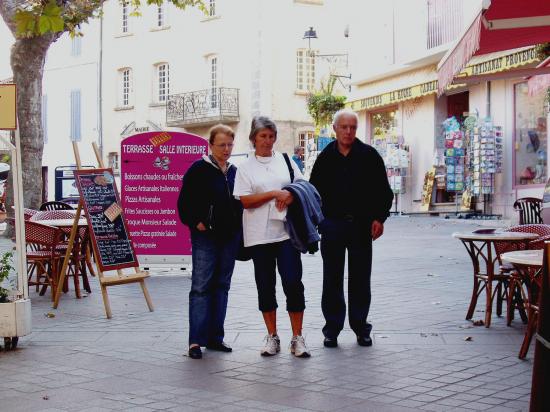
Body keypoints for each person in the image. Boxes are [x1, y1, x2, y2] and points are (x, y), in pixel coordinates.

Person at [309, 109, 393, 348]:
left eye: (353, 127)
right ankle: (332, 329)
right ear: (334, 128)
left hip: (361, 226)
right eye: (344, 127)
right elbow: (314, 193)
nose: (348, 132)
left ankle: (360, 327)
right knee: (331, 279)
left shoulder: (369, 155)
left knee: (360, 279)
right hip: (333, 227)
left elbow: (383, 192)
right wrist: (321, 222)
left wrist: (380, 218)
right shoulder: (325, 158)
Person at [233, 116, 310, 358]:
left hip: (286, 233)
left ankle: (297, 337)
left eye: (270, 136)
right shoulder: (245, 167)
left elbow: (302, 186)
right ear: (253, 138)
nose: (267, 141)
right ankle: (272, 336)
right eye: (262, 136)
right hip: (258, 236)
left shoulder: (286, 160)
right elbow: (244, 200)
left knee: (293, 284)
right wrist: (274, 193)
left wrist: (290, 194)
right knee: (265, 287)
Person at [177, 124, 243, 360]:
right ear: (211, 145)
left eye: (229, 145)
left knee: (222, 286)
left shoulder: (235, 171)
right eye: (221, 145)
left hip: (229, 236)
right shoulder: (198, 169)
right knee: (201, 286)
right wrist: (197, 222)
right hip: (206, 236)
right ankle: (195, 341)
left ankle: (216, 337)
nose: (226, 149)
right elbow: (184, 204)